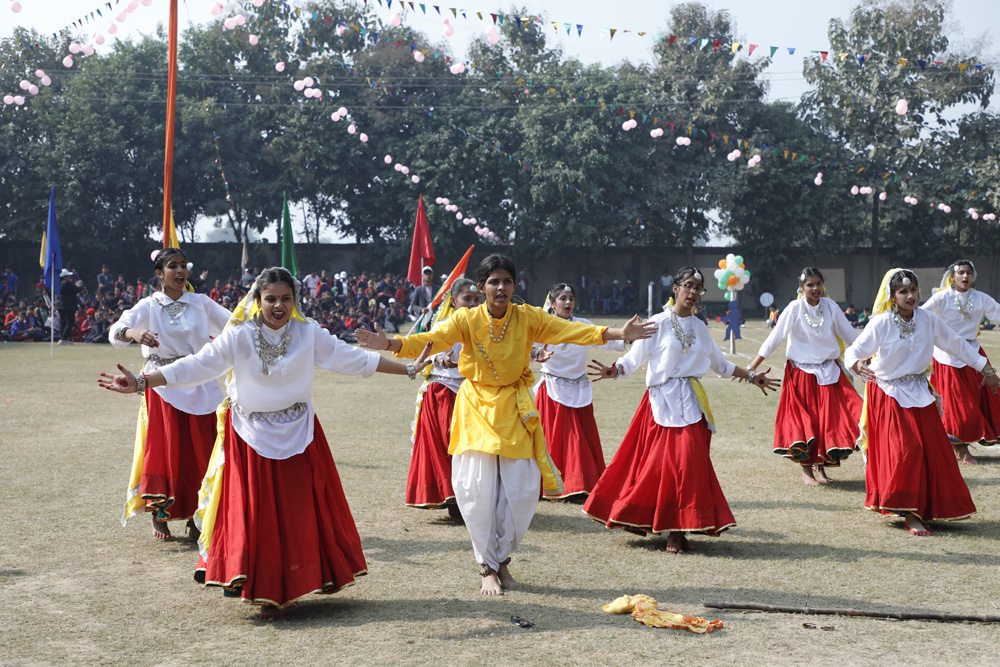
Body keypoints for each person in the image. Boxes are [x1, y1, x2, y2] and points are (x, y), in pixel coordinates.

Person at [99, 267, 419, 619]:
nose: (278, 306)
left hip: (299, 431)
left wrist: (408, 369)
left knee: (300, 511)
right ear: (258, 300)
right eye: (271, 299)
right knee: (258, 513)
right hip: (250, 435)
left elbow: (353, 359)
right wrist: (143, 382)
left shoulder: (308, 333)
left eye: (286, 298)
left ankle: (298, 583)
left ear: (295, 301)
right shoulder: (239, 335)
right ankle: (265, 591)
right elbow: (197, 365)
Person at [355, 254, 655, 596]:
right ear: (481, 287)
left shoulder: (528, 317)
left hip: (514, 408)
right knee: (477, 491)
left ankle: (502, 559)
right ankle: (487, 567)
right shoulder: (466, 320)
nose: (501, 288)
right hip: (476, 408)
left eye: (507, 281)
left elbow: (572, 330)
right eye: (494, 282)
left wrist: (619, 333)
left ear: (515, 285)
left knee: (521, 491)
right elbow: (429, 340)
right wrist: (389, 344)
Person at [583, 267, 780, 553]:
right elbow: (634, 357)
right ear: (676, 288)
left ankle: (678, 528)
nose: (693, 292)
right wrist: (616, 370)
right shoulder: (659, 322)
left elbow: (721, 365)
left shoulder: (700, 328)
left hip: (692, 401)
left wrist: (751, 376)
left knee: (689, 465)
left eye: (698, 288)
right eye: (688, 286)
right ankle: (664, 524)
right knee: (660, 467)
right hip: (660, 404)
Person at [844, 269, 998, 536]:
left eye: (913, 289)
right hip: (889, 394)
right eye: (903, 291)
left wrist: (986, 368)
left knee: (933, 451)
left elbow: (957, 345)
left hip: (919, 392)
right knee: (908, 449)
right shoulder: (882, 322)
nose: (910, 295)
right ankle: (909, 514)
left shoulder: (928, 320)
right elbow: (854, 351)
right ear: (892, 295)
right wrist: (856, 363)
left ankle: (923, 508)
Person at [108, 248, 234, 540]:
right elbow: (116, 330)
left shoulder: (201, 303)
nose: (180, 271)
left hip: (199, 380)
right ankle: (159, 512)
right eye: (173, 266)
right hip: (162, 385)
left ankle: (198, 515)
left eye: (183, 265)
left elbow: (234, 325)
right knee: (167, 449)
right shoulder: (149, 305)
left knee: (204, 448)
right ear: (159, 273)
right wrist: (134, 333)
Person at [747, 268, 861, 486]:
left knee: (831, 420)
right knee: (808, 422)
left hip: (829, 371)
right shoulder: (794, 308)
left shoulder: (830, 306)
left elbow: (851, 337)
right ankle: (807, 471)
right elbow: (774, 338)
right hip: (802, 373)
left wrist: (869, 357)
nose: (815, 288)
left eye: (818, 283)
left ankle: (821, 468)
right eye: (810, 285)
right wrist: (751, 367)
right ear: (801, 287)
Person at [531, 283, 624, 500]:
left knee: (579, 437)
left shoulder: (583, 325)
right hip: (552, 390)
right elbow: (527, 349)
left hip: (578, 389)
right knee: (554, 439)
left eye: (571, 298)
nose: (568, 302)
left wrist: (628, 335)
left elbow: (603, 339)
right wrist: (536, 354)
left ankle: (580, 482)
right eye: (563, 298)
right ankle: (551, 483)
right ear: (552, 303)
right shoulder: (542, 326)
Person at [405, 279, 480, 520]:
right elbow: (430, 350)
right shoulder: (444, 325)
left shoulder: (484, 326)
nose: (472, 304)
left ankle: (476, 498)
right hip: (444, 392)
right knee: (450, 445)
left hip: (474, 392)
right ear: (454, 301)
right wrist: (442, 360)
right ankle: (453, 500)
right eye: (466, 299)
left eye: (476, 299)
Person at [920, 260, 1000, 464]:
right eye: (961, 273)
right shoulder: (942, 297)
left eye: (968, 273)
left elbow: (998, 314)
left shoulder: (980, 298)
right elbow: (920, 315)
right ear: (952, 277)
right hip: (947, 356)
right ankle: (961, 448)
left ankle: (960, 445)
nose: (965, 276)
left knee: (983, 398)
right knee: (957, 404)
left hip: (973, 353)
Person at [57, 269, 80, 344]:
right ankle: (63, 338)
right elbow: (77, 289)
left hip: (61, 305)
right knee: (70, 323)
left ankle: (62, 338)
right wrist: (79, 285)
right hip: (68, 306)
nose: (69, 277)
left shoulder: (59, 283)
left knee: (63, 323)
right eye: (68, 276)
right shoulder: (67, 283)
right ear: (64, 277)